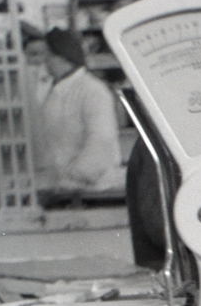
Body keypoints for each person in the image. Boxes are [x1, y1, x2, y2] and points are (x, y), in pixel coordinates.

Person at [25, 27, 126, 197]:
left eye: (47, 55)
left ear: (61, 57)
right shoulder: (54, 89)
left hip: (95, 190)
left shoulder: (92, 90)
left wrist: (77, 176)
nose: (44, 62)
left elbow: (101, 141)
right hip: (65, 187)